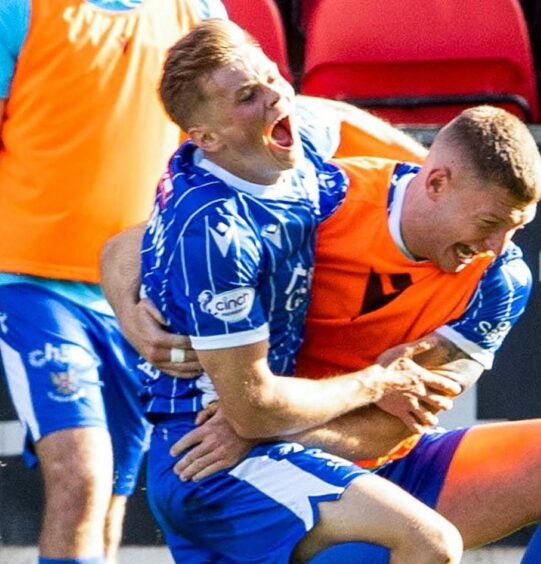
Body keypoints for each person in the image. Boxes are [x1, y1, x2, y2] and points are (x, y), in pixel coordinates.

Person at [105, 105, 541, 562]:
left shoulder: (500, 283)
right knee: (400, 548)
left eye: (516, 228)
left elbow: (388, 428)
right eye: (489, 224)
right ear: (435, 183)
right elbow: (140, 241)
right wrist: (132, 316)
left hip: (326, 455)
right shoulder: (322, 200)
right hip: (233, 462)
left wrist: (261, 424)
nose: (499, 246)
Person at [122, 19, 465, 564]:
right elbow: (253, 410)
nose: (275, 96)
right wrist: (379, 382)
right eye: (247, 96)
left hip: (256, 441)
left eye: (272, 76)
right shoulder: (217, 233)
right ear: (206, 139)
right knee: (429, 543)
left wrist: (445, 184)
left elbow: (334, 116)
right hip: (209, 458)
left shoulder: (278, 138)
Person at [0, 1, 232, 563]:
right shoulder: (12, 9)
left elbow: (238, 132)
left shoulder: (198, 9)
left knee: (111, 493)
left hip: (144, 293)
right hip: (30, 280)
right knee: (81, 475)